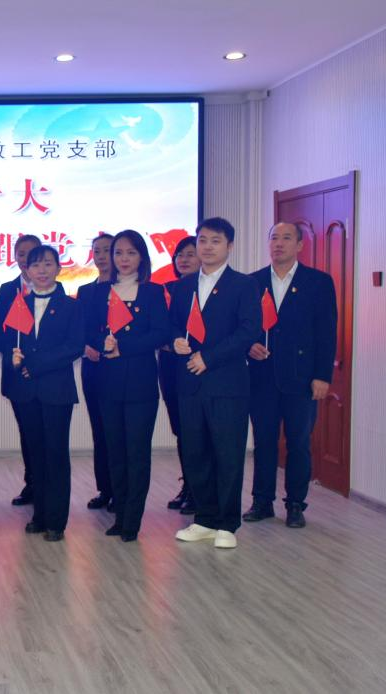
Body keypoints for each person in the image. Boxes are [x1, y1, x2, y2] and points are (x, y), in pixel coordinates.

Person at [170, 217, 261, 550]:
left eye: (215, 241)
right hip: (189, 383)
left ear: (229, 246)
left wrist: (209, 357)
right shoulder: (183, 287)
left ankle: (227, 523)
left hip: (227, 384)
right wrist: (175, 341)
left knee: (227, 453)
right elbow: (171, 326)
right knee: (196, 453)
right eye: (202, 240)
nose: (207, 247)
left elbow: (249, 331)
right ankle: (205, 519)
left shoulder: (244, 285)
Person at [243, 222, 337, 528]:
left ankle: (295, 504)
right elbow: (243, 327)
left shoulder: (318, 282)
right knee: (264, 442)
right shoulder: (253, 282)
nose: (279, 243)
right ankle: (262, 502)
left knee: (298, 443)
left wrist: (322, 376)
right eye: (274, 238)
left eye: (286, 238)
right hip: (262, 376)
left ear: (299, 245)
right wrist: (250, 345)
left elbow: (326, 333)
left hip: (302, 378)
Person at [87, 231, 169, 542]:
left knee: (137, 454)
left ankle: (132, 520)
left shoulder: (153, 292)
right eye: (118, 253)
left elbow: (160, 333)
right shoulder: (100, 292)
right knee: (115, 452)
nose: (123, 259)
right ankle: (119, 514)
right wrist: (101, 342)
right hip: (107, 384)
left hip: (140, 385)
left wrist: (124, 347)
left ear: (142, 257)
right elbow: (87, 331)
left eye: (130, 253)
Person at [4, 245, 84, 541]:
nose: (41, 270)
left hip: (56, 390)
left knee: (56, 455)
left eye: (48, 264)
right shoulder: (19, 304)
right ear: (26, 270)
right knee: (35, 455)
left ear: (58, 268)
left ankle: (56, 522)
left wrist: (36, 365)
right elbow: (10, 341)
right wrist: (14, 359)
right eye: (35, 265)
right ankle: (39, 515)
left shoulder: (71, 306)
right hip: (25, 391)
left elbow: (74, 346)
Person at [0, 233, 44, 506]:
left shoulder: (56, 290)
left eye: (32, 253)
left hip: (46, 374)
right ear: (14, 257)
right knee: (27, 432)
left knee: (46, 434)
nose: (26, 258)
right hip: (17, 373)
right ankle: (32, 484)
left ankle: (47, 486)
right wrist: (13, 353)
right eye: (21, 253)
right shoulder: (6, 290)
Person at [159, 236, 200, 514]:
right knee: (182, 430)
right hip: (170, 366)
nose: (183, 260)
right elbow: (159, 327)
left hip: (199, 365)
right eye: (179, 255)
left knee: (198, 430)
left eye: (189, 254)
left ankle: (200, 490)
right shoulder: (166, 290)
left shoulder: (208, 289)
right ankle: (188, 485)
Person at [76, 233, 115, 511]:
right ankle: (105, 489)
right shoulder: (85, 291)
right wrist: (85, 346)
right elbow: (77, 327)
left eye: (107, 250)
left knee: (117, 432)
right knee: (99, 430)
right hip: (92, 367)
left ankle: (120, 491)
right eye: (97, 251)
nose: (101, 256)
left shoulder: (128, 289)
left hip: (119, 367)